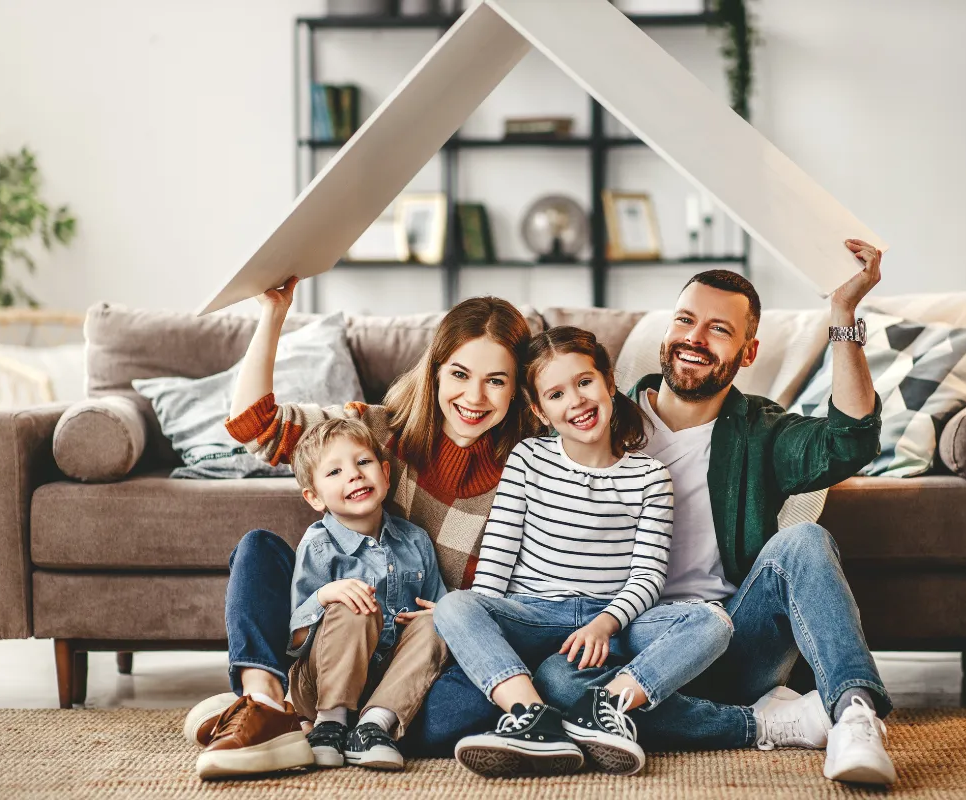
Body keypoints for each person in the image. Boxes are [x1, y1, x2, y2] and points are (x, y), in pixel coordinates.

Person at [531, 240, 900, 786]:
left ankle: (851, 714)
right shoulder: (598, 420)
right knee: (559, 684)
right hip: (633, 643)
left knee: (802, 542)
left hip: (732, 640)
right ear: (665, 332)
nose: (694, 339)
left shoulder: (761, 430)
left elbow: (849, 442)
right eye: (685, 320)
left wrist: (842, 315)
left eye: (719, 331)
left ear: (747, 353)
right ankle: (767, 723)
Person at [186, 279, 541, 779]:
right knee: (259, 549)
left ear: (518, 387)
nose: (474, 397)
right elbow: (254, 427)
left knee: (462, 715)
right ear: (435, 372)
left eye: (496, 380)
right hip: (333, 644)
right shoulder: (374, 433)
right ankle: (262, 704)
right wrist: (273, 312)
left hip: (422, 655)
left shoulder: (531, 468)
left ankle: (350, 723)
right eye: (459, 374)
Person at [434, 327, 732, 779]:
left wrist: (604, 623)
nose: (575, 400)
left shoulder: (650, 477)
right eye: (555, 393)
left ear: (609, 382)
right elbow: (496, 561)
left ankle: (607, 704)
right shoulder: (528, 459)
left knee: (711, 621)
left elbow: (648, 577)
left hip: (609, 626)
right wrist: (482, 626)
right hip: (533, 615)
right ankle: (535, 717)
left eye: (585, 382)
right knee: (455, 607)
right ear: (539, 409)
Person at [195, 418, 451, 778]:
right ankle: (327, 724)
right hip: (321, 680)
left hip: (390, 678)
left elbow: (436, 606)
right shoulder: (318, 546)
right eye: (334, 471)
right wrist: (326, 595)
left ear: (386, 473)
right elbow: (294, 641)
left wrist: (435, 618)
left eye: (363, 462)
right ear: (314, 497)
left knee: (439, 622)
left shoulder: (416, 540)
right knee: (355, 604)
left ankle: (374, 726)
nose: (354, 475)